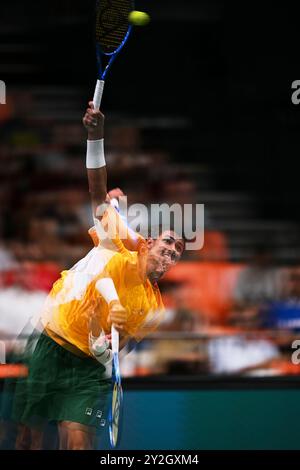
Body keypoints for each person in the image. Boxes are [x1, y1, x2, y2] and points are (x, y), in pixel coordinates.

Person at [10, 102, 185, 450]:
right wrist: (95, 135)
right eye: (167, 243)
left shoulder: (154, 308)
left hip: (88, 367)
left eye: (177, 253)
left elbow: (122, 350)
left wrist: (103, 349)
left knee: (77, 439)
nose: (170, 252)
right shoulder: (117, 242)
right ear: (149, 244)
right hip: (50, 341)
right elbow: (96, 190)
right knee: (28, 440)